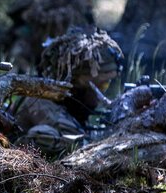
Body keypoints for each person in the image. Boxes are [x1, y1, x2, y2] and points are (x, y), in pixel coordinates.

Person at [13, 26, 123, 155]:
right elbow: (84, 150)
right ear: (75, 82)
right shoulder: (42, 104)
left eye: (108, 84)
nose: (102, 93)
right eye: (101, 85)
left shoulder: (74, 106)